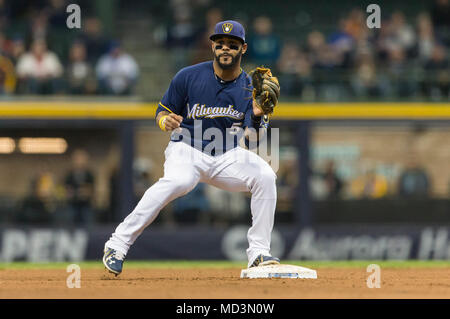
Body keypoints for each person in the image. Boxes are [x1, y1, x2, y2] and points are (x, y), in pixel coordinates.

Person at [103, 20, 281, 275]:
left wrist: (258, 115)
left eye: (232, 45)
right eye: (220, 44)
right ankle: (117, 243)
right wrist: (165, 121)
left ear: (243, 49)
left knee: (265, 176)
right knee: (180, 181)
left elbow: (253, 140)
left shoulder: (249, 89)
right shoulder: (188, 75)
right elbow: (162, 110)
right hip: (186, 149)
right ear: (212, 46)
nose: (225, 49)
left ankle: (259, 253)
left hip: (226, 154)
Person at [64, 149, 95, 227]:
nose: (80, 161)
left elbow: (90, 191)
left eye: (82, 158)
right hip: (72, 205)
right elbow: (68, 192)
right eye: (77, 159)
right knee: (69, 216)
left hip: (86, 205)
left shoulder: (89, 175)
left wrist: (82, 192)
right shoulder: (69, 175)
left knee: (87, 216)